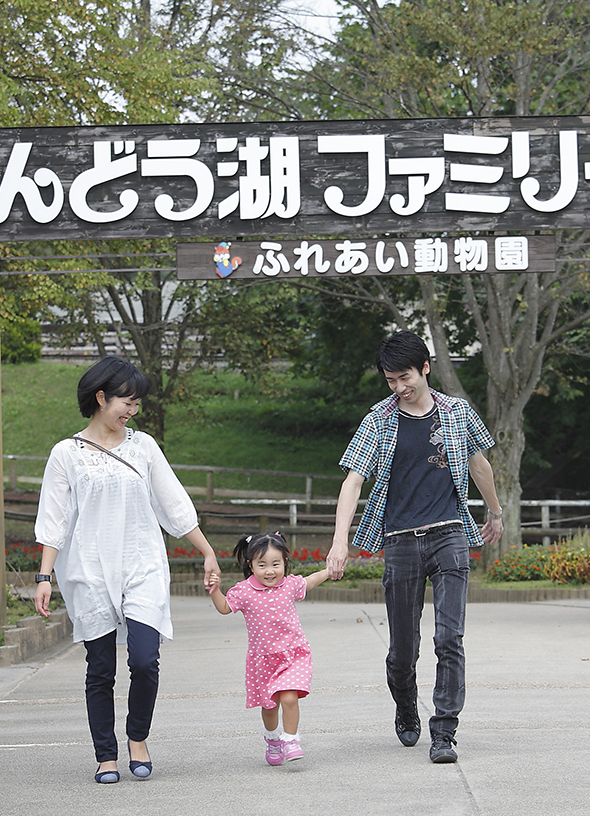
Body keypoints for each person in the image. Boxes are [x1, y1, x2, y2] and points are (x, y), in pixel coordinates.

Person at [34, 356, 221, 784]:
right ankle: (106, 755)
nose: (131, 411)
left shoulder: (144, 446)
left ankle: (138, 737)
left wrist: (207, 552)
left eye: (136, 405)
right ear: (101, 398)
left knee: (145, 659)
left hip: (141, 563)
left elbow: (174, 504)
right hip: (90, 569)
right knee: (100, 667)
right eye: (127, 402)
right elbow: (54, 519)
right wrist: (45, 577)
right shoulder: (66, 454)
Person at [326, 331, 503, 764]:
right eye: (390, 380)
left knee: (450, 638)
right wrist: (339, 543)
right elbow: (353, 480)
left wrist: (495, 513)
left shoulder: (457, 412)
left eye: (404, 377)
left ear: (425, 368)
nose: (399, 387)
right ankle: (406, 706)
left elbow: (479, 464)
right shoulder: (379, 420)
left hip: (450, 534)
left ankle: (444, 731)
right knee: (403, 651)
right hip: (400, 540)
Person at [207, 532, 332, 766]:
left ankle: (291, 740)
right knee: (270, 707)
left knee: (289, 697)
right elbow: (224, 607)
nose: (269, 571)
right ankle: (273, 739)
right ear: (250, 565)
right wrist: (215, 590)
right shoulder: (244, 591)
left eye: (276, 564)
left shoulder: (291, 585)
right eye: (262, 565)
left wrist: (329, 571)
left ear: (285, 562)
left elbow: (311, 581)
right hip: (263, 660)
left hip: (293, 654)